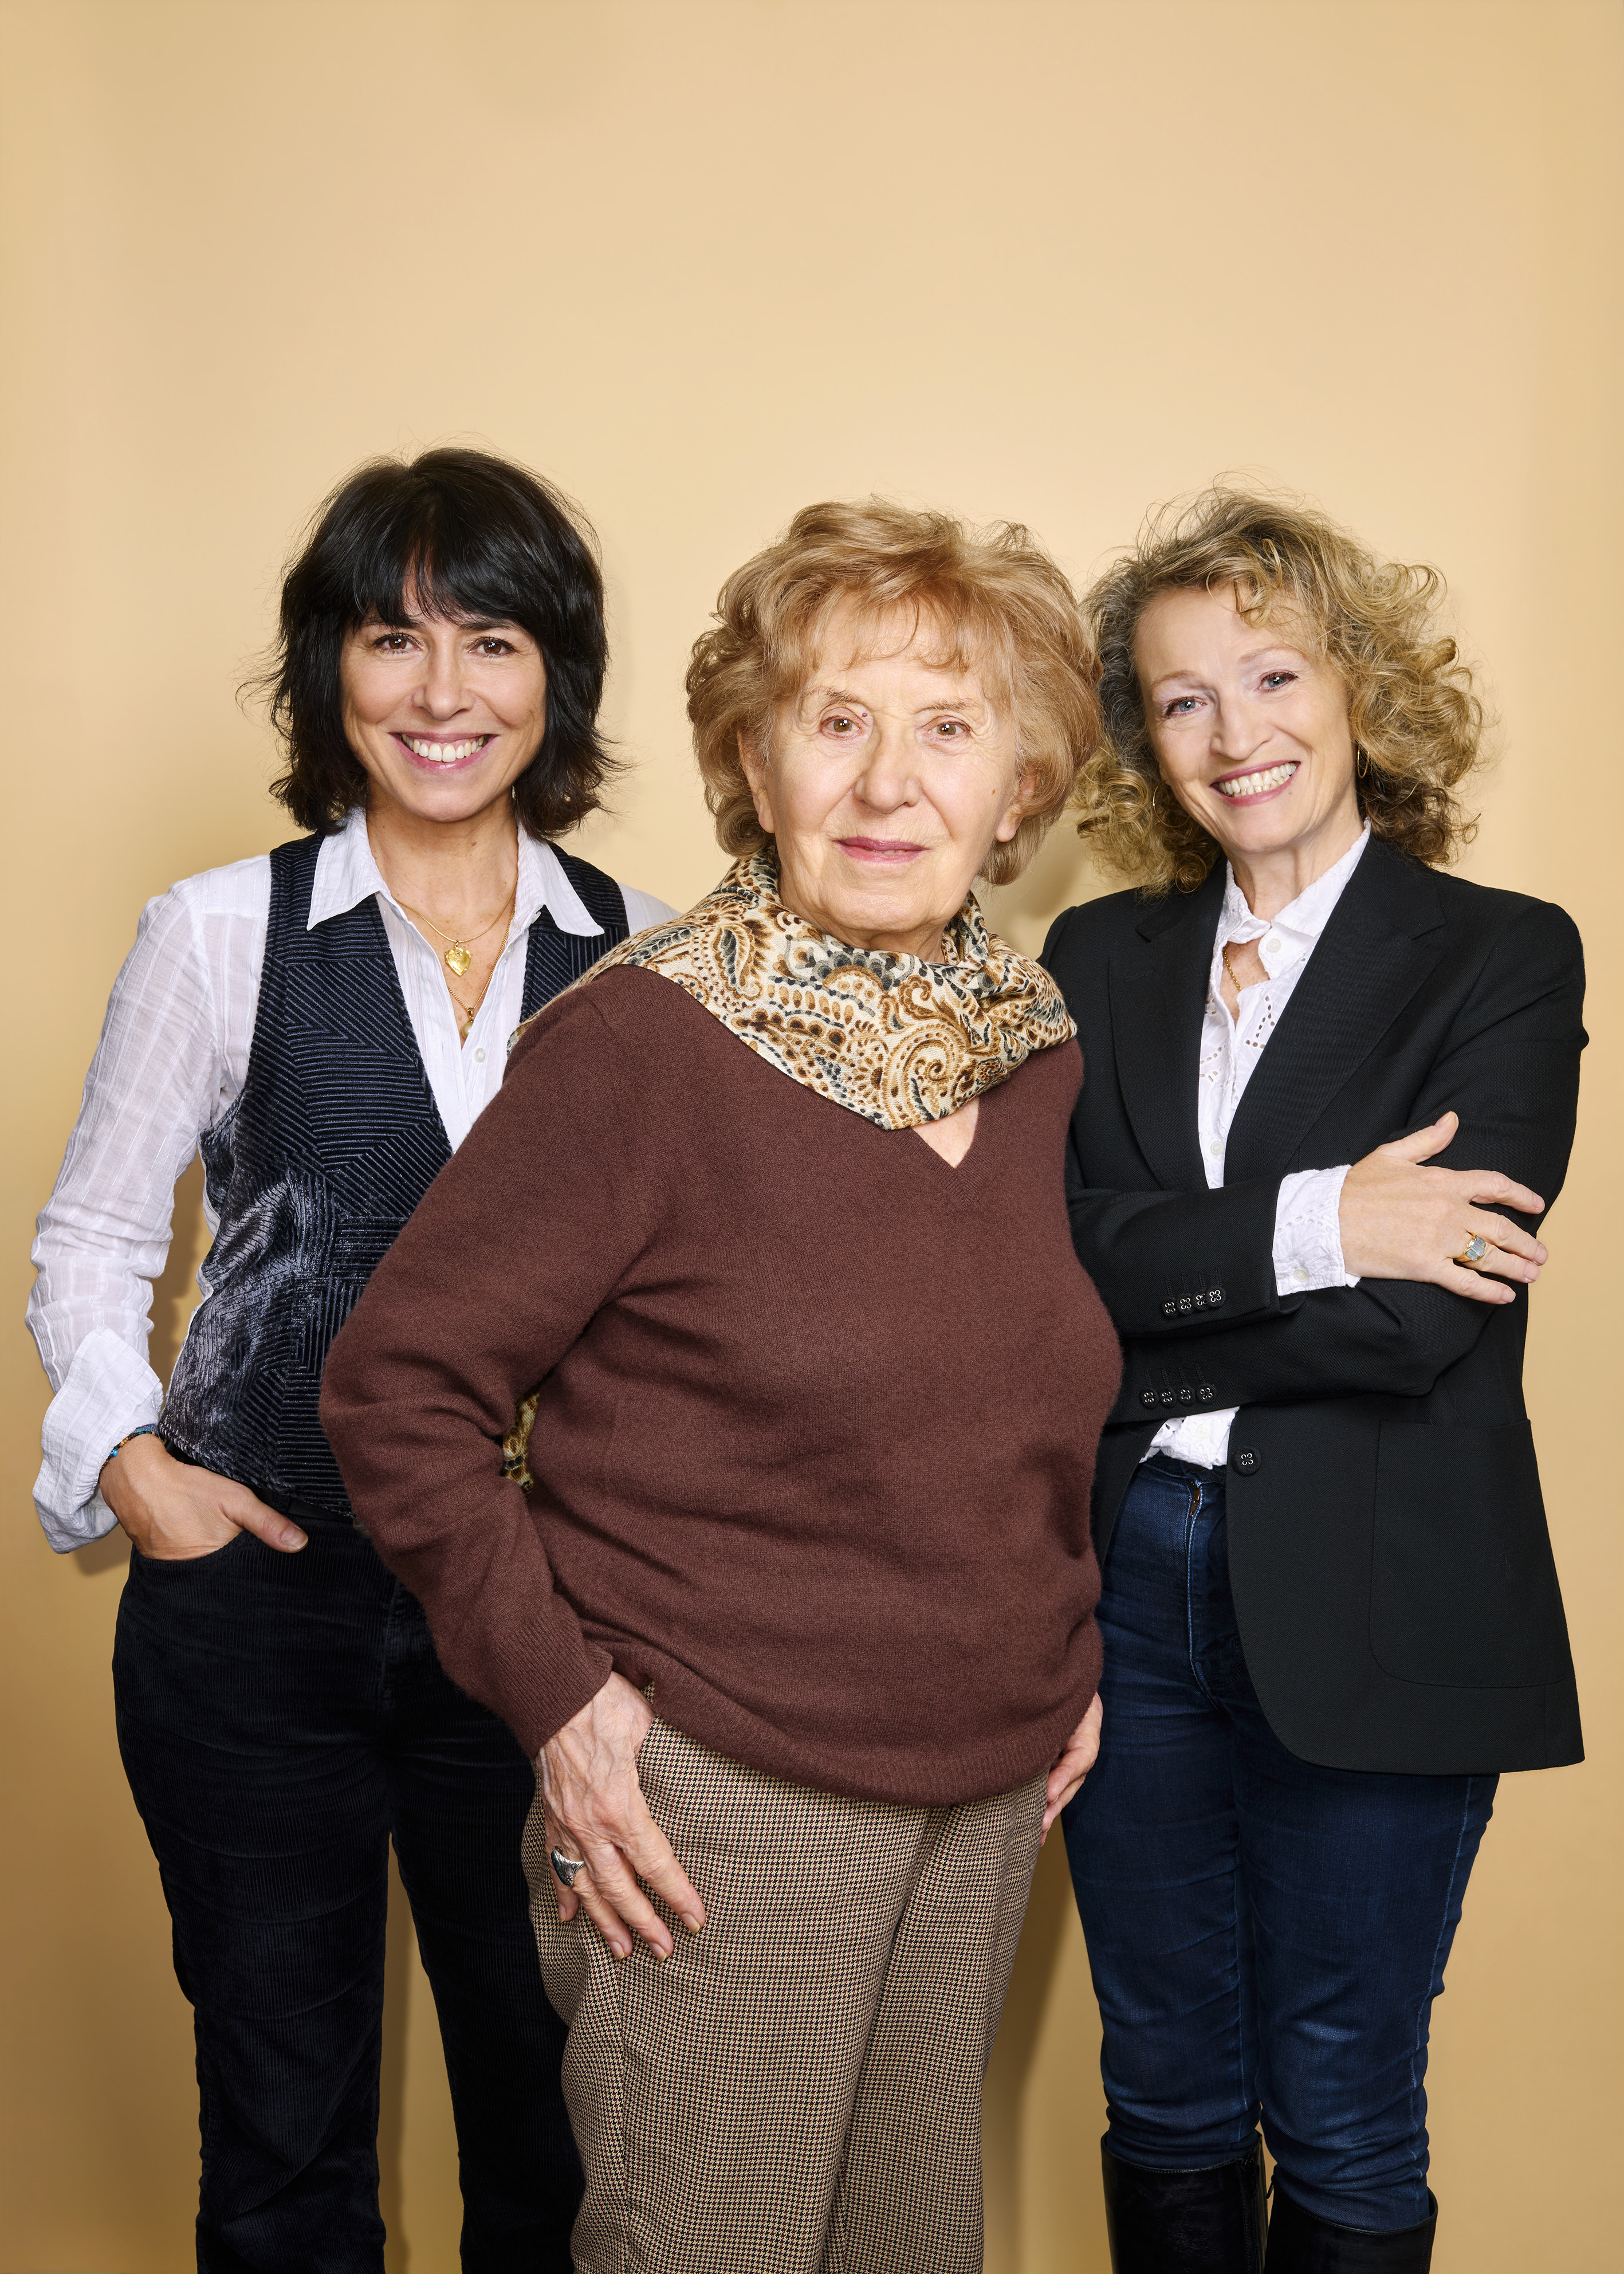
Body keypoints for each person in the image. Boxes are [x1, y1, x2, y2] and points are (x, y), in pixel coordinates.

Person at [319, 498, 1121, 2274]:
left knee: (910, 2252)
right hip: (724, 1789)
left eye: (946, 727)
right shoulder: (643, 1045)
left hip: (988, 1783)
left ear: (1018, 787)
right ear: (755, 766)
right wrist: (561, 1704)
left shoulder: (1032, 1046)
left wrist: (1066, 1647)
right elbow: (397, 1388)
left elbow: (1004, 1400)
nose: (887, 782)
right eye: (834, 721)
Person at [26, 447, 676, 2273]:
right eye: (392, 639)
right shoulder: (217, 929)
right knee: (282, 2141)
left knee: (554, 2134)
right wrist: (136, 1471)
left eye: (491, 640)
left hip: (539, 1618)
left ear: (556, 675)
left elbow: (675, 1306)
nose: (440, 691)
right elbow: (89, 1238)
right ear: (332, 670)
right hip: (258, 1611)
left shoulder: (642, 954)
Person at [1043, 489, 1584, 2274]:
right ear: (1145, 737)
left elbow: (1423, 1318)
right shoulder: (1095, 958)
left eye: (1273, 675)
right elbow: (1044, 1270)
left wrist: (1149, 1303)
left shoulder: (1501, 952)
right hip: (1122, 1590)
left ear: (1359, 685)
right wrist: (1321, 1220)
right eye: (1181, 698)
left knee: (1343, 2101)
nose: (1234, 733)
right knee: (1163, 2088)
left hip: (1380, 1580)